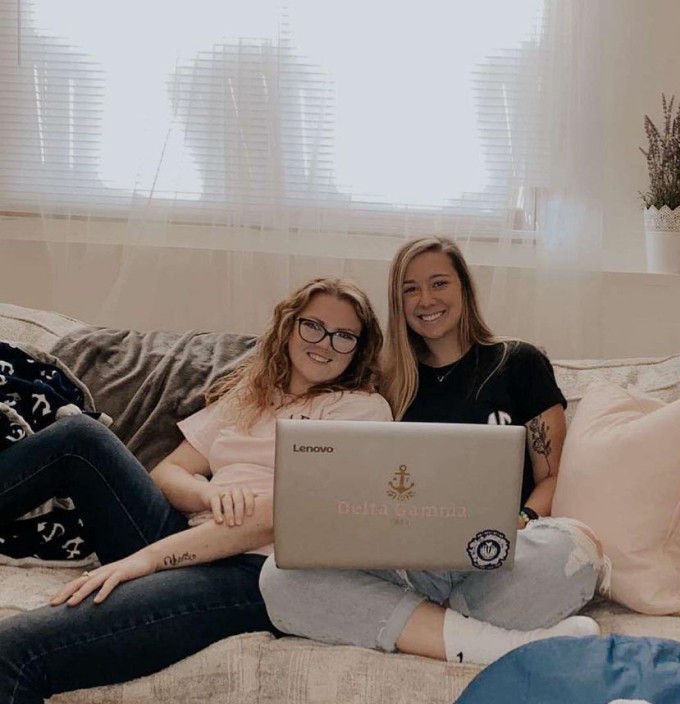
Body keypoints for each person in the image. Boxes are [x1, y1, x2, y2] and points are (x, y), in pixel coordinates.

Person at [0, 278, 392, 703]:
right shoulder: (252, 393)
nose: (325, 343)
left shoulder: (360, 410)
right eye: (313, 326)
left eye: (344, 336)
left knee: (13, 651)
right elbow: (168, 472)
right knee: (80, 437)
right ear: (289, 325)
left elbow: (281, 516)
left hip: (249, 571)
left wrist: (146, 561)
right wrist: (207, 495)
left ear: (360, 348)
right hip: (185, 533)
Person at [260, 237, 609, 666]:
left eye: (439, 283)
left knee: (575, 548)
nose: (426, 299)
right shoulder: (385, 382)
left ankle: (422, 629)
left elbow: (553, 475)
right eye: (410, 289)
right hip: (406, 563)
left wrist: (521, 522)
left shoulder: (517, 362)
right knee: (279, 576)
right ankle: (484, 641)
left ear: (463, 288)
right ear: (398, 301)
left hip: (492, 556)